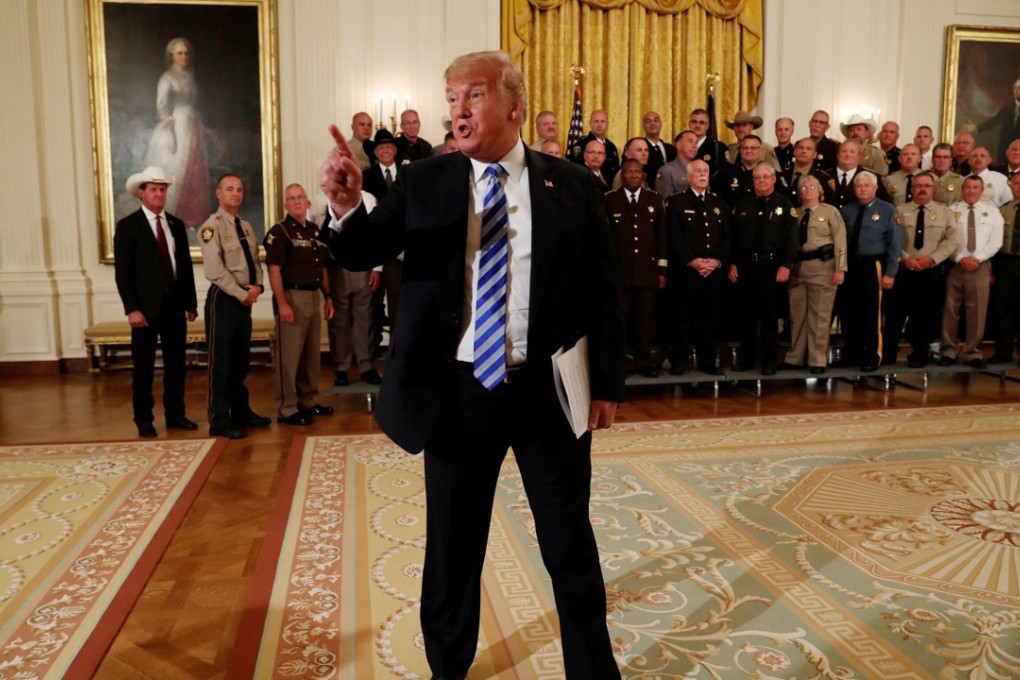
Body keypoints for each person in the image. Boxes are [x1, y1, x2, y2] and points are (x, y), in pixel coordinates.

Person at [318, 50, 623, 680]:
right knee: (453, 551)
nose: (457, 110)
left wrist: (607, 384)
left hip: (548, 391)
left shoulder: (570, 185)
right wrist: (347, 206)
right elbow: (361, 250)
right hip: (459, 396)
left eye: (473, 96)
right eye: (451, 97)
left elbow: (604, 291)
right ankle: (448, 670)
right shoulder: (425, 180)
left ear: (513, 106)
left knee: (569, 545)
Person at [114, 165, 199, 438]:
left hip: (175, 305)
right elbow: (122, 274)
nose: (160, 194)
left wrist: (191, 303)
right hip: (145, 310)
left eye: (163, 189)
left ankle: (176, 414)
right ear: (142, 193)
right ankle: (143, 418)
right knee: (144, 367)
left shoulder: (175, 224)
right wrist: (132, 309)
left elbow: (183, 266)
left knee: (176, 364)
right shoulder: (128, 226)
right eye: (154, 189)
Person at [198, 173, 270, 439]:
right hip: (224, 300)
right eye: (230, 189)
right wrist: (242, 293)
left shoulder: (247, 226)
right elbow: (215, 271)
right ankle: (219, 418)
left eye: (239, 189)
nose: (235, 194)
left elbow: (255, 261)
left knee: (240, 361)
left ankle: (241, 411)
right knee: (221, 362)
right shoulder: (211, 227)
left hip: (245, 299)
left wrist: (258, 286)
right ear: (219, 193)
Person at [264, 183, 335, 425]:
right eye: (291, 198)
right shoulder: (280, 232)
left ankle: (308, 401)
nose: (296, 201)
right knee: (289, 357)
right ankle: (287, 408)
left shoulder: (315, 231)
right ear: (286, 205)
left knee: (310, 355)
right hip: (291, 298)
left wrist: (328, 296)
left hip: (313, 297)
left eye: (300, 197)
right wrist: (282, 304)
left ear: (307, 202)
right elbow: (274, 270)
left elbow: (323, 267)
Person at [882, 172, 960, 368]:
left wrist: (931, 259)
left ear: (933, 189)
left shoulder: (944, 213)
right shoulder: (898, 211)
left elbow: (954, 240)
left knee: (924, 315)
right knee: (894, 315)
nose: (922, 189)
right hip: (902, 270)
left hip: (930, 271)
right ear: (912, 189)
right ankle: (888, 353)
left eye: (926, 185)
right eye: (917, 186)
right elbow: (889, 239)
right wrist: (906, 259)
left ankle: (919, 354)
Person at [728, 163, 798, 374]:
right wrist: (732, 263)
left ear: (774, 179)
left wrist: (786, 265)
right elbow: (733, 238)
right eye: (757, 178)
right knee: (746, 316)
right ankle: (746, 359)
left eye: (765, 177)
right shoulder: (742, 204)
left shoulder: (784, 205)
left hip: (772, 266)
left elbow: (792, 239)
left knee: (769, 317)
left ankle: (769, 361)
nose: (761, 181)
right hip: (747, 266)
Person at [665, 159, 730, 374]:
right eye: (698, 171)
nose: (702, 174)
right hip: (687, 272)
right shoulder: (677, 202)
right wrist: (692, 261)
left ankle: (707, 362)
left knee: (710, 318)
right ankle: (679, 361)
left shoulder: (719, 202)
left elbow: (727, 238)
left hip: (713, 272)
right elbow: (674, 237)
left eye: (705, 171)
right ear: (688, 176)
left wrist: (717, 261)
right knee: (682, 317)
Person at [604, 158, 667, 377]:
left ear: (643, 175)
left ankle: (643, 362)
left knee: (644, 323)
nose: (633, 175)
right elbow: (605, 240)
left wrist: (661, 271)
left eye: (637, 172)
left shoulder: (654, 199)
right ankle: (617, 365)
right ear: (622, 175)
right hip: (619, 275)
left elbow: (662, 239)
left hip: (646, 273)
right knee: (618, 323)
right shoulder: (610, 201)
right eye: (629, 172)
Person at [142, 37, 211, 228]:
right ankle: (174, 216)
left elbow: (192, 105)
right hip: (176, 126)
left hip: (192, 125)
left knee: (195, 170)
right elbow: (162, 107)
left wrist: (202, 126)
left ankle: (194, 218)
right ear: (172, 55)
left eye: (186, 53)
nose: (184, 57)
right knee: (177, 169)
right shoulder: (167, 78)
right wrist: (170, 133)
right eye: (180, 53)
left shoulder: (189, 77)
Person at [836, 172, 902, 371]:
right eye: (859, 186)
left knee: (871, 313)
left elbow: (895, 244)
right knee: (848, 311)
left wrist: (891, 272)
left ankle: (872, 356)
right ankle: (850, 354)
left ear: (875, 188)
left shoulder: (888, 210)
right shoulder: (847, 210)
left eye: (867, 186)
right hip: (850, 266)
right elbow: (841, 243)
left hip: (873, 266)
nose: (862, 189)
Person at [783, 176, 846, 373]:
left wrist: (840, 268)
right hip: (798, 270)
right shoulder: (795, 213)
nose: (807, 189)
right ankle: (795, 358)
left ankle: (817, 360)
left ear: (820, 191)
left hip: (823, 269)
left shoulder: (830, 211)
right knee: (797, 317)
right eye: (803, 187)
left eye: (811, 186)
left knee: (820, 317)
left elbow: (841, 242)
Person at [940, 175, 1004, 368]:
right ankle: (948, 351)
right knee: (950, 309)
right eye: (967, 187)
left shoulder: (992, 212)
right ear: (962, 189)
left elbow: (996, 241)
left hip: (980, 265)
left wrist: (978, 259)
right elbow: (945, 239)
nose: (971, 191)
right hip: (956, 264)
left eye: (976, 187)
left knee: (977, 310)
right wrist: (960, 259)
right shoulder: (951, 211)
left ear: (982, 191)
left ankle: (971, 352)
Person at [989, 172, 1020, 364]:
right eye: (1015, 183)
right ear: (1010, 186)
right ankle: (1003, 351)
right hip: (1006, 263)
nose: (1019, 187)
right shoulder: (1002, 211)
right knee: (1003, 309)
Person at [568, 109, 620, 183]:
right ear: (590, 123)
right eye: (596, 121)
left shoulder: (611, 147)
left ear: (607, 124)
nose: (599, 125)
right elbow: (575, 172)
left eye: (602, 121)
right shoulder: (581, 145)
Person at [655, 130, 697, 199]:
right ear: (678, 145)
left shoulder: (701, 170)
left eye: (696, 143)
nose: (695, 146)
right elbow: (665, 203)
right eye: (690, 141)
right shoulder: (667, 171)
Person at [642, 110, 676, 182]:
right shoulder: (640, 148)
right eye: (648, 121)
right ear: (643, 126)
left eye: (656, 120)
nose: (652, 124)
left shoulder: (671, 149)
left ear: (661, 124)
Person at [807, 109, 839, 174]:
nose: (817, 125)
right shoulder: (800, 144)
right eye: (814, 121)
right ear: (809, 123)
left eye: (821, 123)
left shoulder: (833, 148)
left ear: (827, 127)